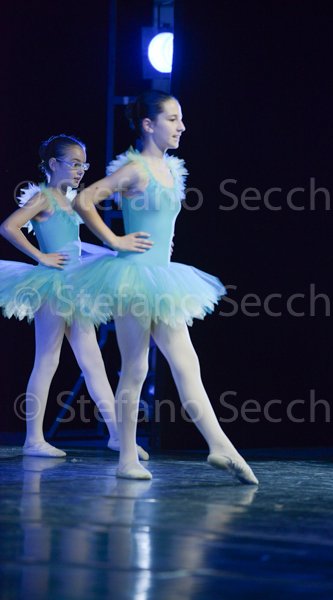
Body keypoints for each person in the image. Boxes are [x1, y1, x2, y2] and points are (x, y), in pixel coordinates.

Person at [74, 91, 259, 485]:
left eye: (180, 119)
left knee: (187, 363)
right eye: (172, 119)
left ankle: (220, 446)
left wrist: (165, 242)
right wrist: (115, 239)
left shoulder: (172, 169)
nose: (181, 127)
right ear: (148, 125)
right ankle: (126, 457)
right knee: (136, 367)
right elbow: (85, 199)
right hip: (134, 279)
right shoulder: (134, 170)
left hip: (163, 276)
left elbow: (161, 221)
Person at [0, 134, 151, 460]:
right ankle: (33, 439)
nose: (81, 170)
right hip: (53, 287)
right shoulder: (43, 198)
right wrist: (41, 256)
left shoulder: (69, 200)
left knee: (93, 363)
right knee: (47, 360)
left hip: (76, 288)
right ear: (54, 164)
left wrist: (111, 252)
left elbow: (74, 245)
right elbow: (9, 227)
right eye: (74, 164)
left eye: (84, 164)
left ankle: (116, 435)